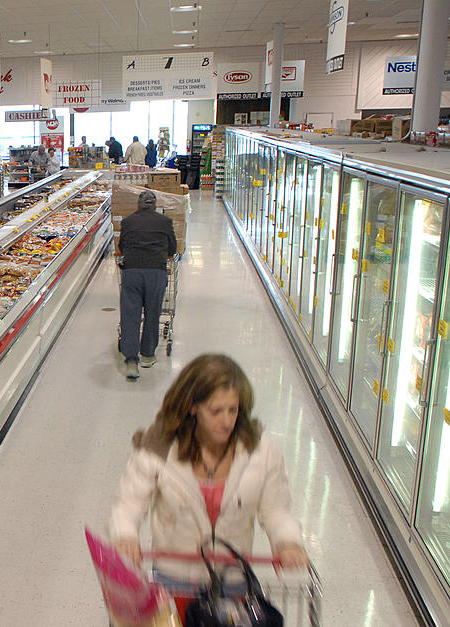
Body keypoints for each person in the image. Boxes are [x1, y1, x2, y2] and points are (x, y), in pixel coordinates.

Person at [109, 354, 308, 598]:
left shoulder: (259, 451)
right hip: (175, 579)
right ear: (193, 407)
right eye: (216, 411)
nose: (226, 421)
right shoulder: (158, 449)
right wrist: (125, 536)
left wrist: (287, 542)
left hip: (233, 579)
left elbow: (276, 510)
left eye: (232, 410)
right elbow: (128, 504)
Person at [117, 190, 176, 380]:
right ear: (155, 206)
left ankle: (131, 361)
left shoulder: (128, 222)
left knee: (130, 315)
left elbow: (122, 247)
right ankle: (148, 355)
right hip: (156, 273)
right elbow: (172, 248)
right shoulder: (165, 222)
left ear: (138, 205)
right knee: (152, 313)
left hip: (132, 272)